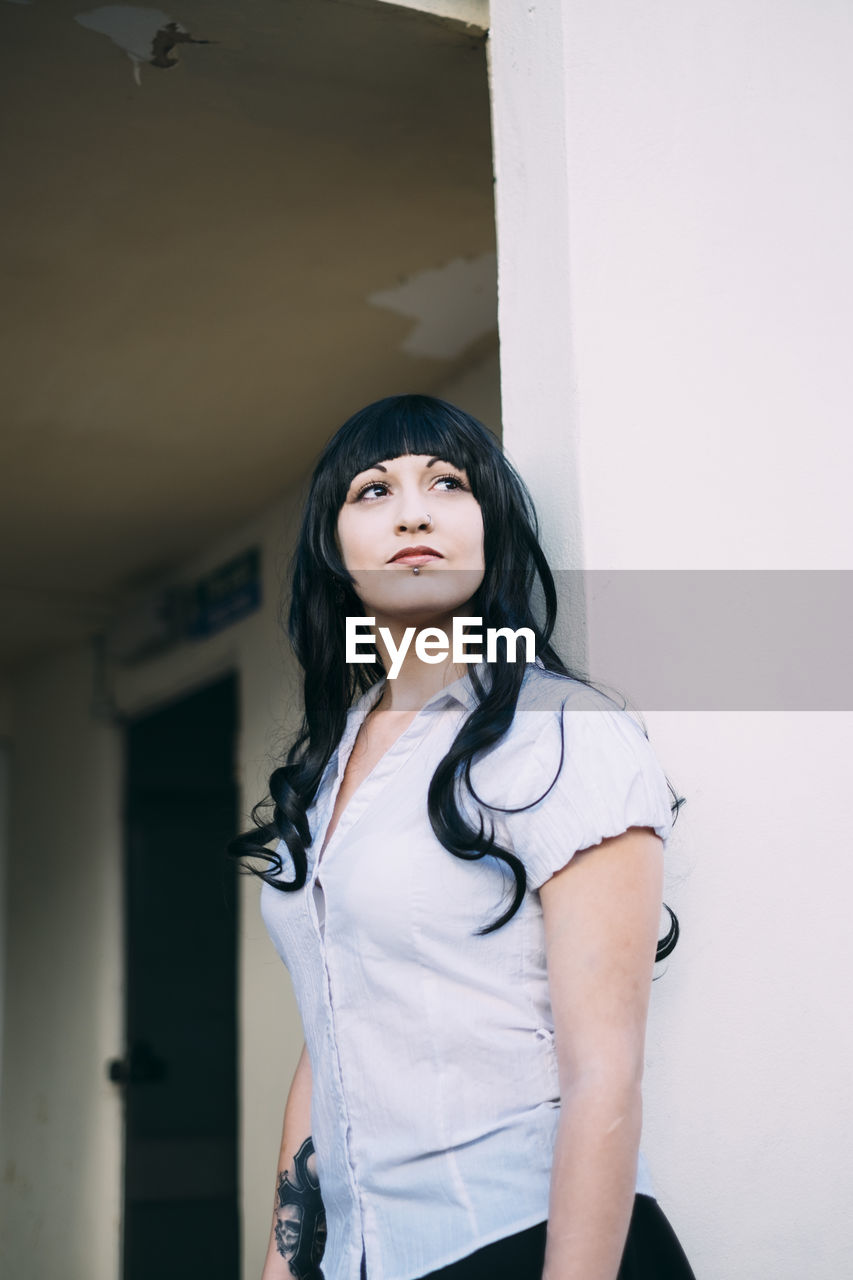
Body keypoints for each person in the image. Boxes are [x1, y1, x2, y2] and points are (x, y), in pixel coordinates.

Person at [230, 394, 696, 1280]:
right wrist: (284, 1263)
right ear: (335, 552)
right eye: (373, 491)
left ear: (492, 530)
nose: (412, 510)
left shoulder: (563, 733)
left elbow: (604, 1074)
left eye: (447, 483)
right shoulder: (329, 764)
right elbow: (332, 1022)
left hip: (524, 1241)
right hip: (366, 1257)